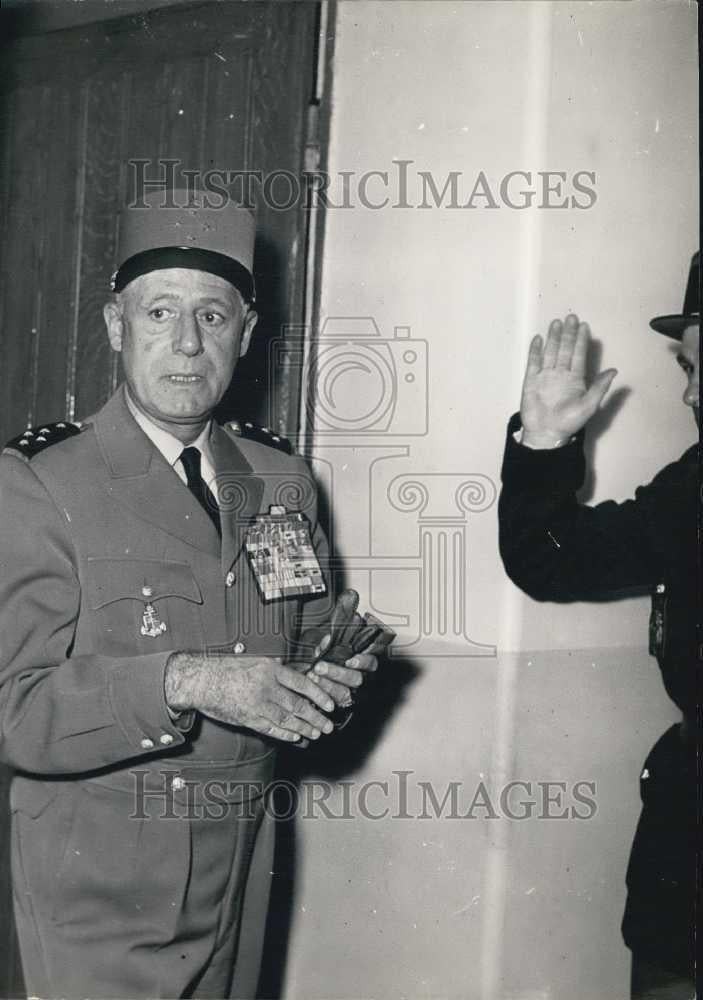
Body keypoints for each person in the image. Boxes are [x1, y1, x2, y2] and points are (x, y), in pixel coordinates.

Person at [0, 191, 381, 998]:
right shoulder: (39, 483)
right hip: (98, 897)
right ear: (116, 326)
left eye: (212, 316)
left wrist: (331, 682)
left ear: (244, 333)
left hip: (240, 877)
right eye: (159, 313)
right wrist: (186, 679)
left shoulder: (280, 480)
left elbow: (302, 646)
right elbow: (15, 710)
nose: (186, 343)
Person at [498, 252, 698, 998]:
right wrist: (544, 442)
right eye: (688, 368)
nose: (692, 394)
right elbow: (552, 562)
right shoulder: (694, 487)